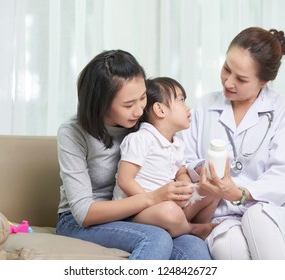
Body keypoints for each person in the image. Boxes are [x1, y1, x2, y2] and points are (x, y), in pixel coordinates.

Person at [182, 27, 285, 259]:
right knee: (226, 246)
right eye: (226, 69)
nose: (228, 82)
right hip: (224, 213)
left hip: (277, 207)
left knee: (257, 217)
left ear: (264, 81)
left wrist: (240, 192)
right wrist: (206, 171)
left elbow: (284, 175)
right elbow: (187, 158)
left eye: (241, 79)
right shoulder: (204, 106)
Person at [56, 49, 212, 260]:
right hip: (81, 221)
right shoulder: (72, 133)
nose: (139, 110)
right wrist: (154, 198)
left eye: (142, 98)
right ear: (100, 103)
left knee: (194, 247)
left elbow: (169, 158)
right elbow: (84, 213)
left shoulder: (142, 124)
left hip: (136, 215)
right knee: (156, 239)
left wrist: (194, 175)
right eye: (128, 105)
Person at [113, 77, 219, 240]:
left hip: (169, 205)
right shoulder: (141, 139)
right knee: (170, 211)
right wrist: (152, 201)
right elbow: (125, 180)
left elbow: (181, 172)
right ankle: (191, 228)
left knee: (213, 189)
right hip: (138, 211)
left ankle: (195, 228)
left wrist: (187, 190)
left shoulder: (177, 143)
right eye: (181, 100)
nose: (187, 107)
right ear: (160, 110)